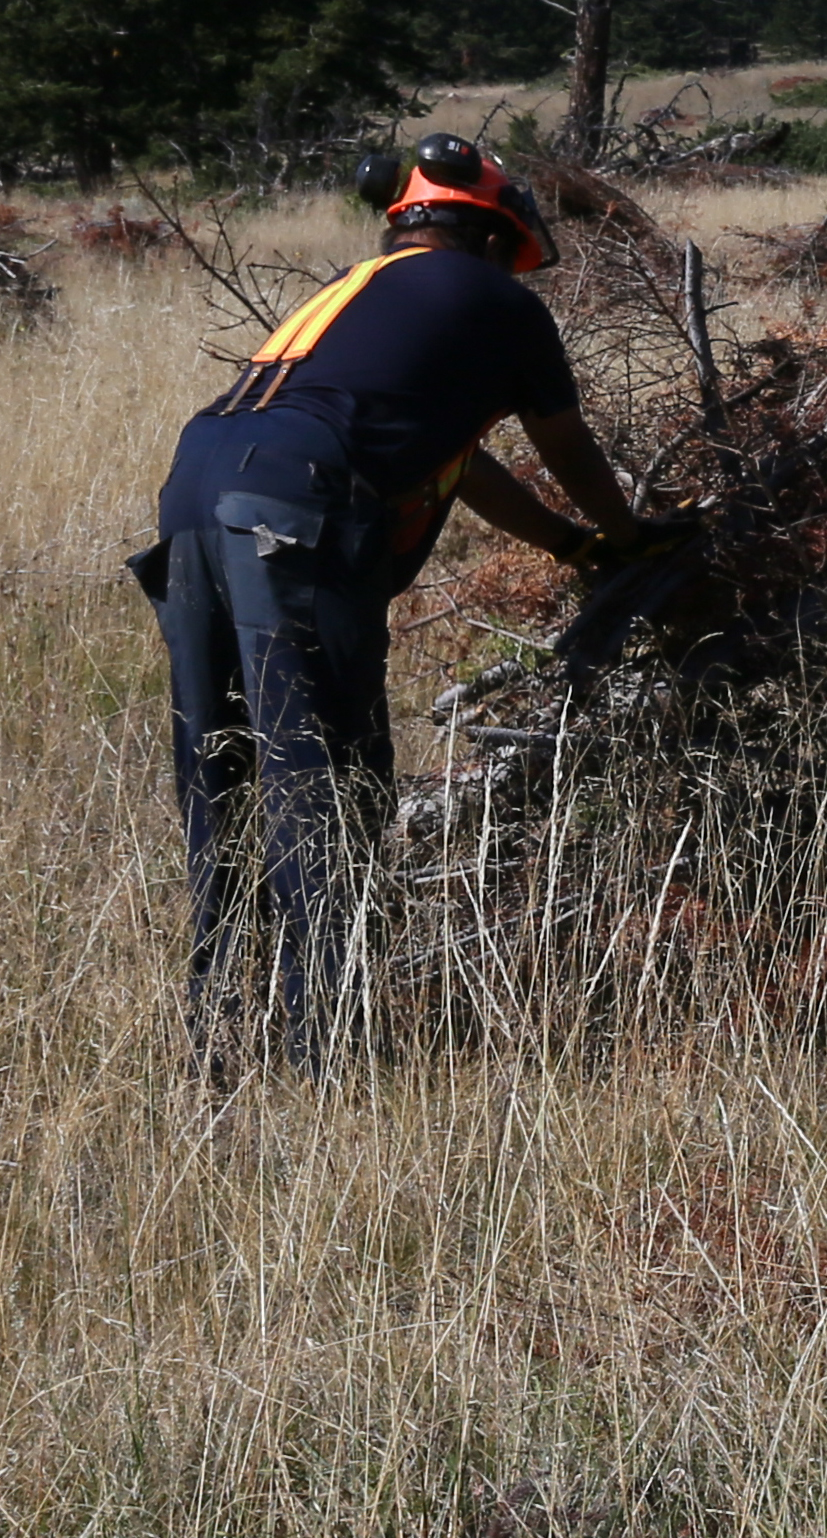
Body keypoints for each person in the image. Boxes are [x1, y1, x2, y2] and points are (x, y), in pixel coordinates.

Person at [140, 133, 649, 1076]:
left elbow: (465, 464)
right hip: (291, 505)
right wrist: (625, 535)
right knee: (327, 775)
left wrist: (567, 546)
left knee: (223, 772)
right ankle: (326, 1045)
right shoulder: (499, 301)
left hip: (196, 488)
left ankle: (221, 1036)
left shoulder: (357, 294)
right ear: (495, 238)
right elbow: (566, 445)